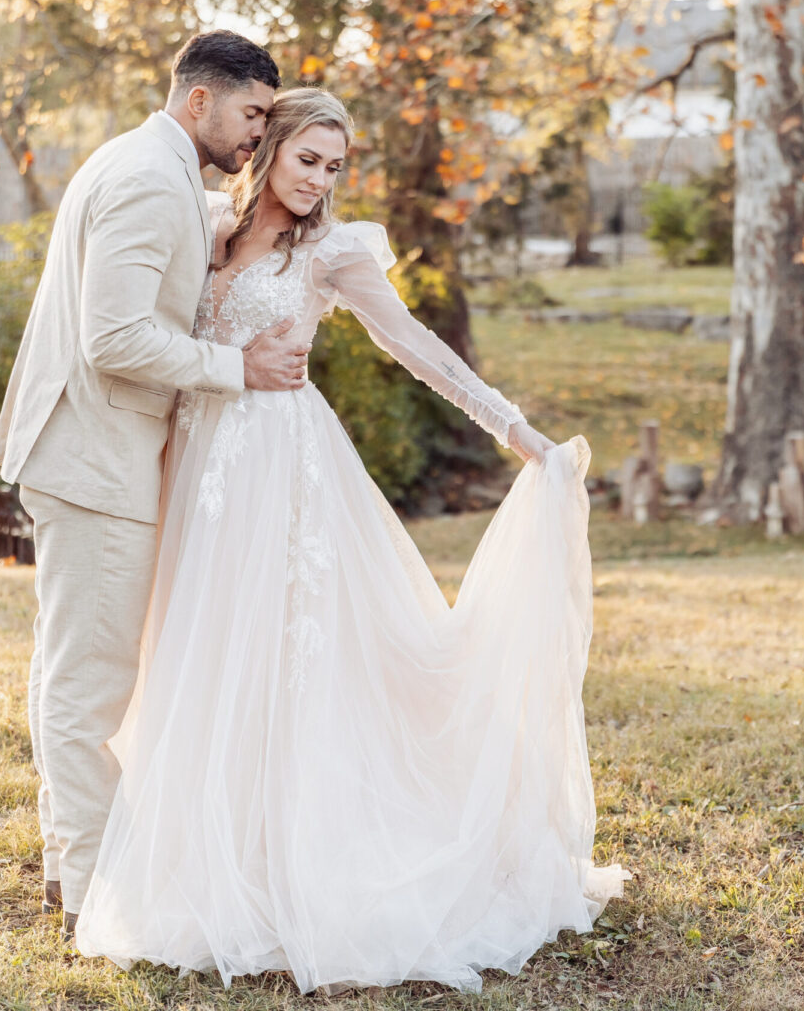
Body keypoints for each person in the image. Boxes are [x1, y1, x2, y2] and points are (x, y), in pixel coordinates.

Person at [73, 87, 626, 994]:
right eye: (307, 160)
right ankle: (210, 855)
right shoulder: (208, 224)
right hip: (198, 467)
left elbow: (416, 345)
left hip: (282, 471)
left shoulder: (333, 250)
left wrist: (518, 434)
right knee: (203, 654)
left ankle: (301, 858)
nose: (320, 180)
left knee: (294, 660)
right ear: (271, 146)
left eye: (334, 166)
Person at [0, 31, 310, 939]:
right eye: (251, 114)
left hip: (105, 453)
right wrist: (237, 366)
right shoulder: (139, 176)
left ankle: (72, 860)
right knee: (89, 676)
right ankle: (87, 884)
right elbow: (116, 338)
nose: (258, 133)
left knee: (84, 665)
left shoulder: (159, 168)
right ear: (200, 101)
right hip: (95, 458)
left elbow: (201, 226)